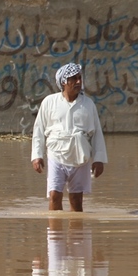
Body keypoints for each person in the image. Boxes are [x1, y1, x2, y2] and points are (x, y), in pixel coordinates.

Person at [31, 63, 107, 212]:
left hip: (80, 156)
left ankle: (76, 234)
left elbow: (96, 132)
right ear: (64, 82)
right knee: (54, 195)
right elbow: (39, 129)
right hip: (56, 155)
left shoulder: (88, 104)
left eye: (80, 78)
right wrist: (37, 155)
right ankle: (54, 233)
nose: (78, 82)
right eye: (74, 79)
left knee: (76, 199)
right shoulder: (49, 102)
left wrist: (99, 159)